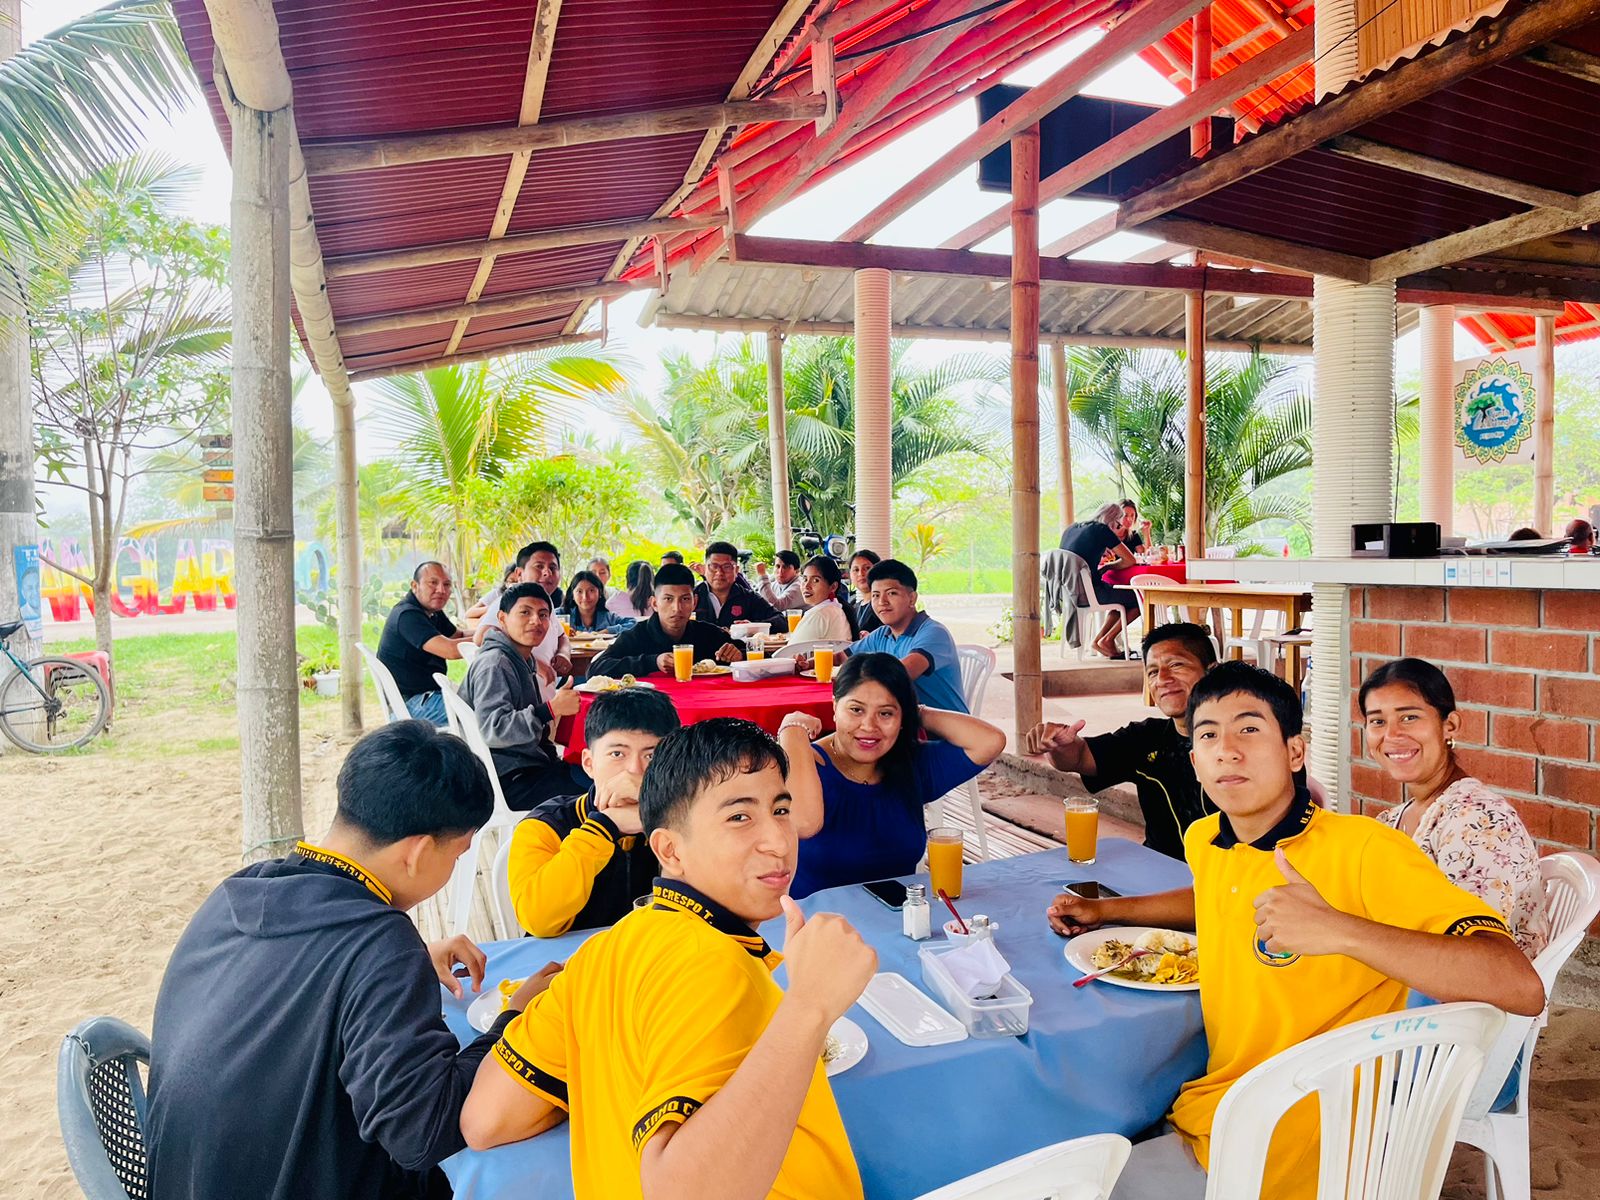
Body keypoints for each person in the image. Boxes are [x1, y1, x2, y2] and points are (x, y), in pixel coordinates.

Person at [1043, 662, 1544, 1200]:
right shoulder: (1206, 839)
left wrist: (1340, 931)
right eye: (1208, 735)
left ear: (1296, 753)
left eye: (1249, 729)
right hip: (1214, 1100)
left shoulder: (1365, 848)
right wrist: (1111, 912)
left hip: (1295, 1135)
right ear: (1194, 763)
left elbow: (1518, 985)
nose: (1227, 750)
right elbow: (1217, 896)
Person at [459, 719, 876, 1200]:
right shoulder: (712, 964)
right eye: (739, 817)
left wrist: (616, 1087)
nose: (779, 842)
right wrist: (808, 1008)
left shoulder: (604, 950)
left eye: (781, 810)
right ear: (670, 850)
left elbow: (486, 1119)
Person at [146, 720, 560, 1200]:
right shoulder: (380, 944)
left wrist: (406, 962)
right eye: (458, 854)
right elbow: (423, 1134)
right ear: (417, 852)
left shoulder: (242, 889)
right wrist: (511, 1022)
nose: (454, 868)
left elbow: (298, 979)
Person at [1360, 658, 1548, 958]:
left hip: (1473, 985)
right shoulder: (1396, 818)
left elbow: (1476, 954)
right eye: (1378, 721)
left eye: (1409, 717)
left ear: (1450, 725)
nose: (1391, 735)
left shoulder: (1478, 821)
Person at [779, 653, 1005, 899]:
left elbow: (990, 741)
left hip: (901, 917)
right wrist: (792, 731)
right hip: (815, 919)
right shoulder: (809, 764)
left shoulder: (910, 763)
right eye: (856, 710)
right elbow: (803, 823)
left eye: (885, 713)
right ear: (835, 707)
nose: (869, 726)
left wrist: (915, 713)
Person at [1024, 623, 1219, 861]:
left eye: (1176, 665)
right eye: (1153, 672)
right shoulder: (1146, 737)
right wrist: (1058, 746)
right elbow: (1080, 757)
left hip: (1230, 877)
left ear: (1212, 672)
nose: (1163, 679)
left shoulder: (1243, 743)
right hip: (1159, 870)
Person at [506, 687, 681, 936]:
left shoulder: (683, 816)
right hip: (573, 957)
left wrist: (658, 816)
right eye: (617, 754)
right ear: (588, 764)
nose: (634, 770)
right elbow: (538, 921)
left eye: (651, 756)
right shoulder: (546, 826)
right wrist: (602, 827)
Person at [459, 583, 590, 812]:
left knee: (594, 771)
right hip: (510, 780)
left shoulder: (520, 659)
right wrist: (551, 709)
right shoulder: (495, 664)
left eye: (543, 615)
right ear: (502, 618)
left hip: (526, 766)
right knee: (602, 788)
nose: (535, 621)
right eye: (525, 612)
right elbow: (494, 729)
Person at [842, 559, 968, 713]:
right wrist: (815, 661)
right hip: (901, 720)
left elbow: (900, 675)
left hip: (942, 726)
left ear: (912, 598)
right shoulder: (883, 634)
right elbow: (843, 657)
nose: (882, 602)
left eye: (891, 593)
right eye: (875, 595)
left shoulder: (934, 633)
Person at [587, 563, 744, 678]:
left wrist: (739, 657)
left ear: (694, 602)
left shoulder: (708, 634)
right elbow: (594, 669)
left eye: (685, 599)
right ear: (655, 603)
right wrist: (653, 662)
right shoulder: (637, 635)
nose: (677, 608)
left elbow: (751, 654)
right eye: (668, 599)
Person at [377, 561, 469, 725]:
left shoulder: (432, 611)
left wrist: (496, 629)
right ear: (415, 586)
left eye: (446, 584)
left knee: (488, 703)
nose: (441, 590)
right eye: (433, 583)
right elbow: (451, 650)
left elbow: (458, 636)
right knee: (485, 710)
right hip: (412, 704)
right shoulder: (407, 615)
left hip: (428, 696)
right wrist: (491, 636)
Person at [476, 541, 574, 695]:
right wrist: (532, 663)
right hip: (520, 703)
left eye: (553, 568)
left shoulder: (545, 603)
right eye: (539, 566)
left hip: (546, 699)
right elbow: (481, 637)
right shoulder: (511, 603)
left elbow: (562, 636)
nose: (547, 572)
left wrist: (563, 653)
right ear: (519, 574)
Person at [1058, 502, 1138, 658]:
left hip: (1069, 591)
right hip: (1089, 592)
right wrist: (1108, 567)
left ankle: (1101, 640)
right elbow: (1130, 560)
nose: (1117, 529)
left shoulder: (1072, 528)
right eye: (1118, 525)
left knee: (1121, 600)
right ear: (1113, 520)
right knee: (1138, 599)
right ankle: (1107, 639)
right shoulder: (1101, 529)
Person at [695, 540, 785, 632]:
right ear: (705, 569)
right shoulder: (693, 596)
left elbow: (781, 620)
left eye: (727, 567)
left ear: (736, 570)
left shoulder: (748, 597)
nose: (719, 572)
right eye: (714, 566)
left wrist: (752, 627)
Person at [789, 556, 857, 644]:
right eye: (805, 579)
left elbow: (791, 650)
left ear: (833, 587)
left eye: (815, 580)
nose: (806, 586)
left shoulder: (820, 614)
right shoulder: (836, 609)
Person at [560, 569, 635, 634]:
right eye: (579, 591)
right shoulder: (562, 614)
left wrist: (609, 631)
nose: (585, 597)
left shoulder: (608, 617)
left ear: (600, 593)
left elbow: (633, 623)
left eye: (591, 590)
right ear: (572, 595)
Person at [847, 549, 883, 635]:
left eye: (867, 568)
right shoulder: (853, 607)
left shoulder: (883, 604)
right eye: (856, 570)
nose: (861, 574)